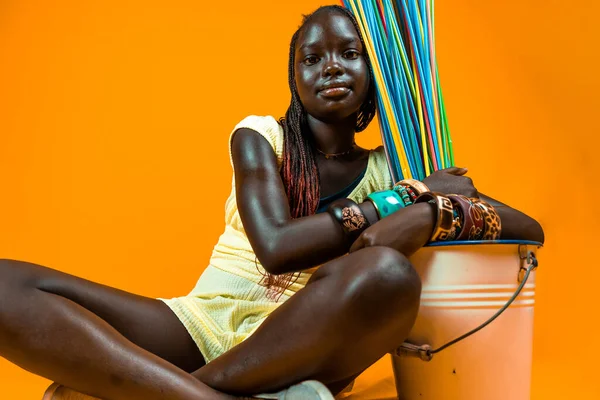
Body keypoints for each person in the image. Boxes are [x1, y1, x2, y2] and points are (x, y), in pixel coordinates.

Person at [0, 5, 544, 400]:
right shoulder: (261, 137)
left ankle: (153, 394)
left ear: (373, 72)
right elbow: (277, 247)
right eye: (313, 58)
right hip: (202, 322)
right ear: (294, 77)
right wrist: (407, 198)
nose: (331, 67)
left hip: (307, 340)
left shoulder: (393, 167)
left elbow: (529, 228)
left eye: (349, 54)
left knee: (389, 276)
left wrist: (430, 211)